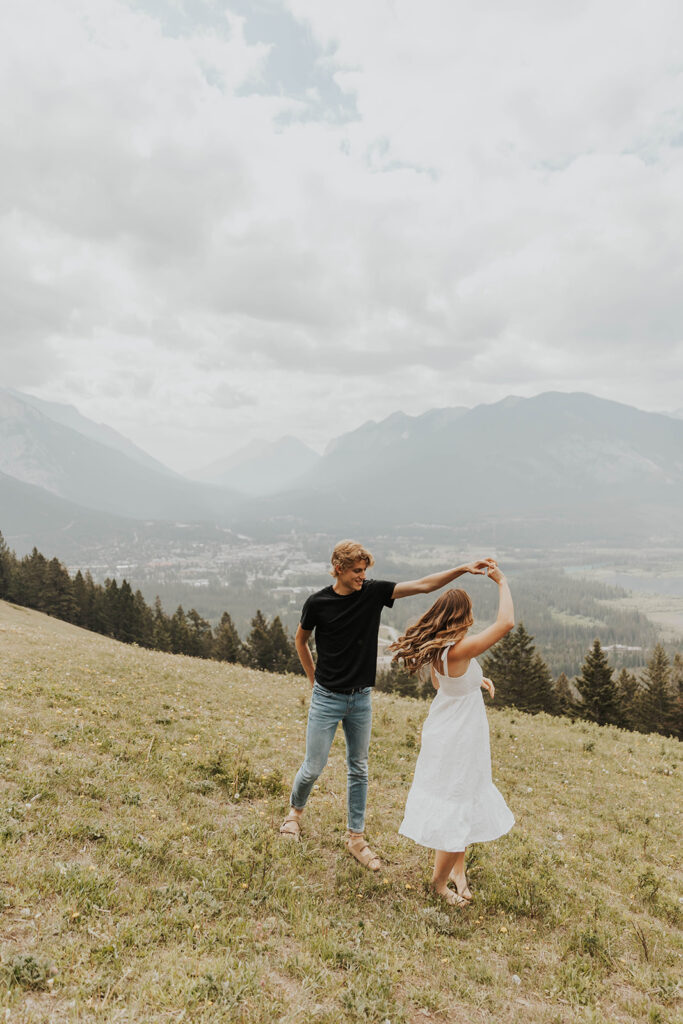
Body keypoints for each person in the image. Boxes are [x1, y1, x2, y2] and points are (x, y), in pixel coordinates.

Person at [279, 539, 496, 873]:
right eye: (356, 571)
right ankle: (295, 813)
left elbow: (424, 586)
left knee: (359, 768)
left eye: (364, 571)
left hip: (361, 698)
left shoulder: (373, 592)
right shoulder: (317, 603)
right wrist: (313, 677)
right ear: (338, 568)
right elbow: (301, 640)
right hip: (326, 697)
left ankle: (356, 839)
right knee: (313, 765)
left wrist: (462, 569)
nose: (361, 577)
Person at [390, 565, 515, 905]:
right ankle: (438, 884)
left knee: (462, 795)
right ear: (463, 616)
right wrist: (501, 582)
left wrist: (478, 680)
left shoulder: (440, 650)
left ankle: (458, 872)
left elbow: (445, 684)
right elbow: (506, 624)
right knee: (456, 802)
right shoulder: (458, 650)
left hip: (447, 728)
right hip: (459, 736)